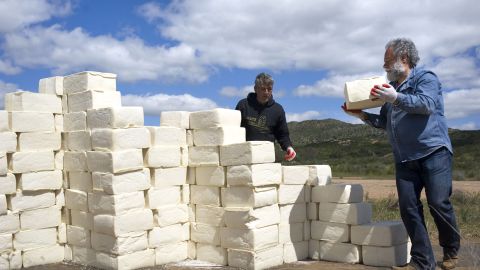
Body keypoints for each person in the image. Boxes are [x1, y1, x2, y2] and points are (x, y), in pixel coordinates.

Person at [342, 38, 460, 270]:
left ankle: (451, 250)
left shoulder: (426, 78)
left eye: (387, 61)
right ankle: (424, 261)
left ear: (403, 59)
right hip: (404, 158)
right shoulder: (391, 90)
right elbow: (384, 122)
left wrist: (395, 98)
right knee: (408, 208)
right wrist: (362, 115)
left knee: (438, 203)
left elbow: (426, 104)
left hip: (433, 152)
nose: (384, 66)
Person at [235, 72, 296, 161]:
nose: (266, 92)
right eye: (263, 89)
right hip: (244, 156)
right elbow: (234, 129)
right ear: (255, 89)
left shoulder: (278, 109)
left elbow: (282, 134)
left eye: (269, 89)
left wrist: (289, 147)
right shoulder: (243, 105)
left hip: (267, 157)